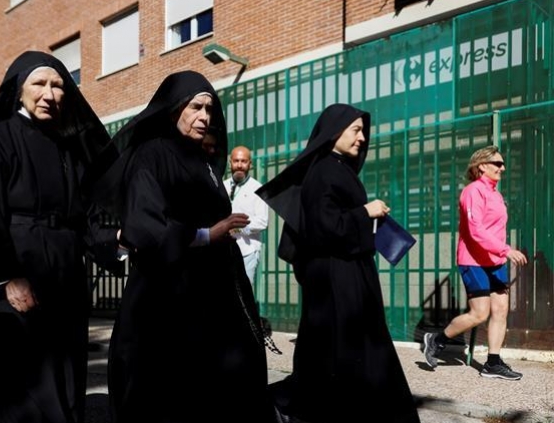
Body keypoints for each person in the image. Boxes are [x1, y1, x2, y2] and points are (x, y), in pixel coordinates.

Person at [0, 51, 120, 423]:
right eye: (40, 84)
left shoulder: (68, 149)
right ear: (19, 91)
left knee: (66, 374)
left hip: (66, 275)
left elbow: (86, 219)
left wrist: (120, 241)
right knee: (24, 385)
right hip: (18, 271)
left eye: (58, 85)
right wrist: (5, 278)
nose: (50, 93)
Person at [105, 71, 277, 423]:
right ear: (173, 110)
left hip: (214, 287)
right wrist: (203, 235)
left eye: (210, 109)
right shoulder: (151, 154)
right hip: (168, 292)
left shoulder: (203, 161)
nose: (205, 117)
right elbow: (144, 223)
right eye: (196, 107)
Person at [257, 103, 420, 422]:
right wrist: (365, 212)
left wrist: (365, 215)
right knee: (344, 353)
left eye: (363, 131)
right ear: (335, 132)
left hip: (342, 276)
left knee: (340, 354)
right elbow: (324, 229)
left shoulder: (335, 168)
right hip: (337, 279)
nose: (362, 138)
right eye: (356, 130)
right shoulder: (325, 171)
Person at [423, 146, 527, 380]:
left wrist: (502, 252)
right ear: (482, 166)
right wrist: (506, 250)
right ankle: (436, 340)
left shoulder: (496, 195)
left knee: (500, 310)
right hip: (473, 260)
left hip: (495, 260)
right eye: (497, 164)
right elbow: (476, 230)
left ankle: (492, 363)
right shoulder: (472, 192)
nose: (503, 168)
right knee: (480, 313)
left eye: (503, 164)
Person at [224, 145, 270, 287]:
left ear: (250, 164)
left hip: (247, 252)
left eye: (244, 161)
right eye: (236, 161)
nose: (239, 165)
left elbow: (263, 221)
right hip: (223, 250)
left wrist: (237, 229)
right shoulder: (222, 186)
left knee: (244, 294)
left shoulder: (258, 189)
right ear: (230, 162)